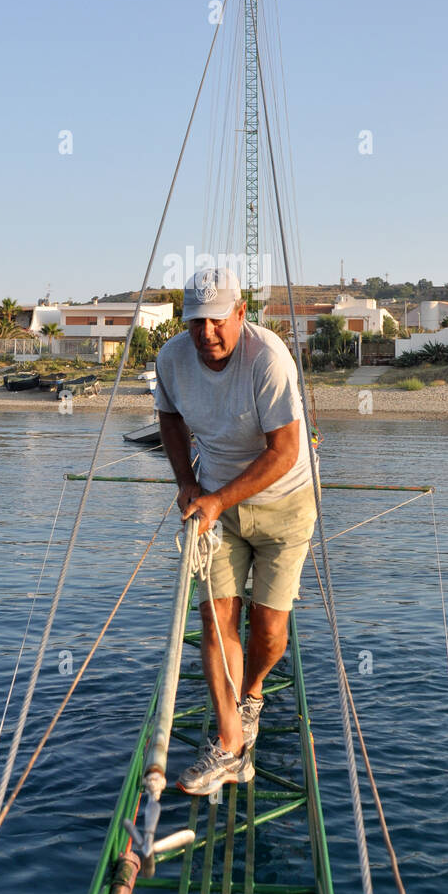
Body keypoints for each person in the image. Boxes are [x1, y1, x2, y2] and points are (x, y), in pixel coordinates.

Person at [154, 267, 317, 795]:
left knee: (269, 630)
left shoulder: (268, 359)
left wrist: (216, 496)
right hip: (217, 506)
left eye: (217, 320)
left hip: (284, 503)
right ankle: (230, 746)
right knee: (217, 614)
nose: (207, 333)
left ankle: (252, 691)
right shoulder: (172, 359)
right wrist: (186, 482)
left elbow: (286, 451)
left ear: (241, 314)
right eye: (196, 321)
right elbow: (170, 419)